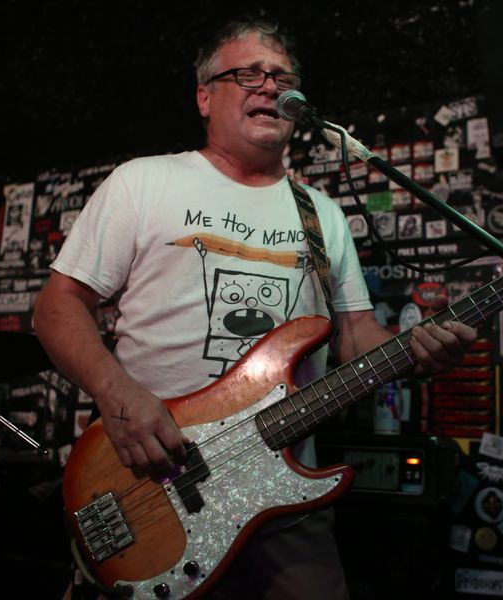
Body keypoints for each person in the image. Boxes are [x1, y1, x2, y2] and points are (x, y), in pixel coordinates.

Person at [33, 17, 476, 599]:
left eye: (282, 78)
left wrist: (415, 352)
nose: (269, 86)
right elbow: (57, 305)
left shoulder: (323, 215)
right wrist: (118, 395)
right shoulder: (143, 182)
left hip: (283, 502)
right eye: (247, 74)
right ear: (204, 97)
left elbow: (354, 336)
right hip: (153, 480)